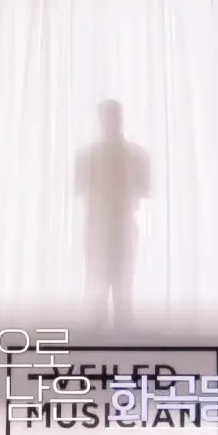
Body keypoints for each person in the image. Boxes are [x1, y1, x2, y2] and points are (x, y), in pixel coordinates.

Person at [75, 99, 150, 329]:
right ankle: (108, 324)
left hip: (115, 224)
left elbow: (79, 188)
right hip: (106, 224)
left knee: (118, 279)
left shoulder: (92, 154)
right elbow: (144, 189)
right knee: (108, 278)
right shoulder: (134, 154)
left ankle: (113, 325)